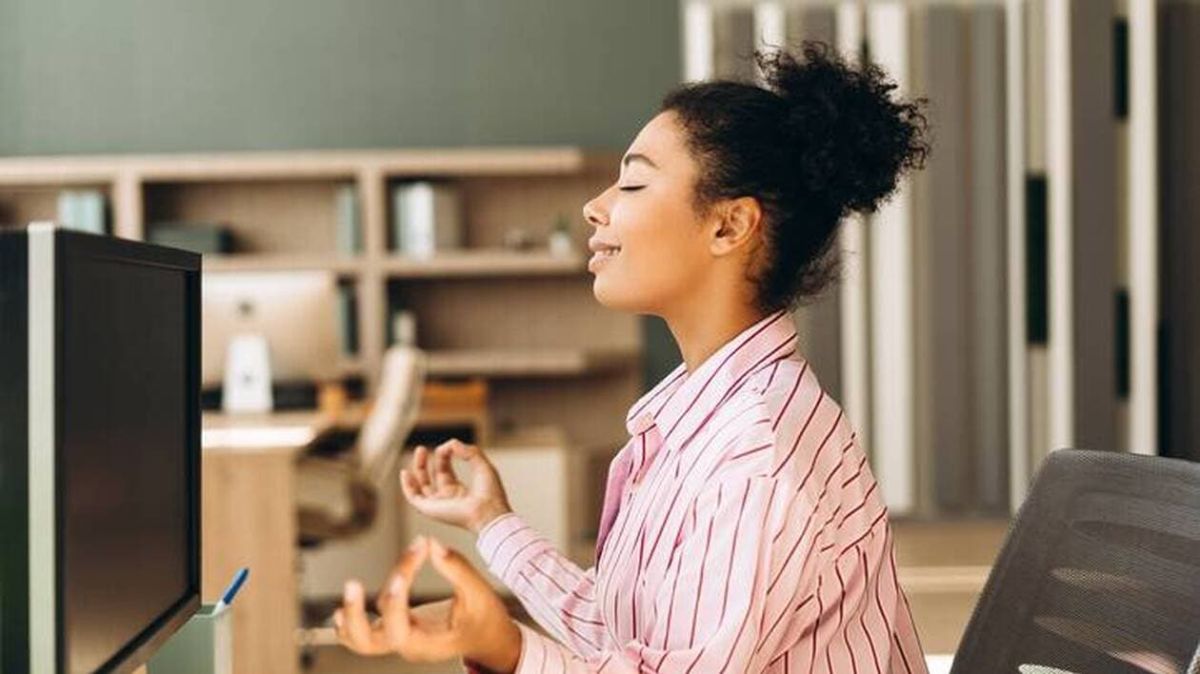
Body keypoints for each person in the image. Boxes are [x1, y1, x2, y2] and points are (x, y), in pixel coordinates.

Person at [333, 41, 930, 673]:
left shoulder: (754, 457)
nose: (596, 207)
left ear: (729, 226)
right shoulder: (712, 415)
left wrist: (504, 648)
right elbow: (628, 630)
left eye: (634, 182)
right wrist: (491, 520)